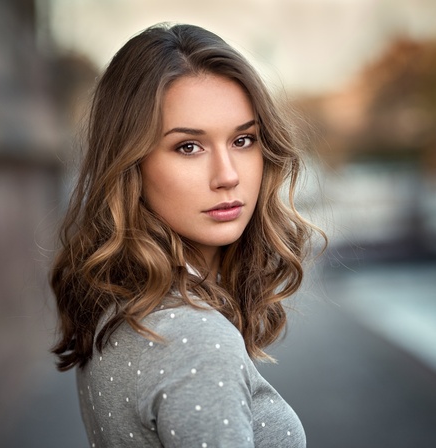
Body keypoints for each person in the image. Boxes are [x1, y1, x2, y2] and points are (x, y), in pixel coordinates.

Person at [50, 23, 323, 447]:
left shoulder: (122, 306)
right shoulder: (195, 341)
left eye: (243, 139)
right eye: (188, 147)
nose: (228, 175)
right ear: (130, 164)